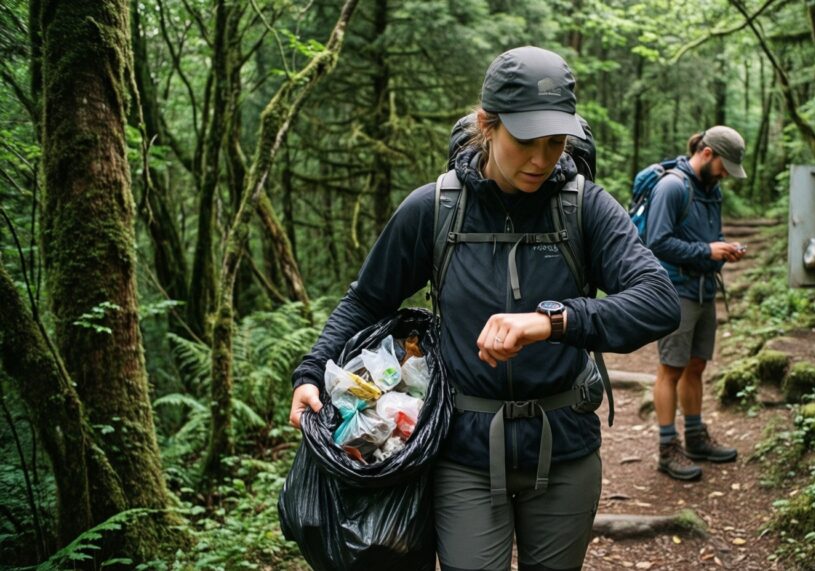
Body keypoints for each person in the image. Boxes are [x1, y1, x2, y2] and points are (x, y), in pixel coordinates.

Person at [289, 46, 679, 571]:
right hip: (463, 453)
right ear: (486, 125)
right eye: (525, 141)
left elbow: (658, 302)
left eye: (555, 141)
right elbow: (366, 299)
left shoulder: (585, 206)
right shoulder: (433, 209)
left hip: (563, 447)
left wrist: (552, 320)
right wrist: (311, 373)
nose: (542, 159)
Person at [645, 126, 748, 481]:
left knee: (696, 366)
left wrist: (723, 250)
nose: (724, 175)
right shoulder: (673, 187)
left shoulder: (712, 191)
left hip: (705, 290)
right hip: (676, 291)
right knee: (670, 368)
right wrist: (706, 250)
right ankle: (666, 447)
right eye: (723, 166)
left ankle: (695, 436)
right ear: (707, 153)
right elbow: (656, 242)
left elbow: (712, 237)